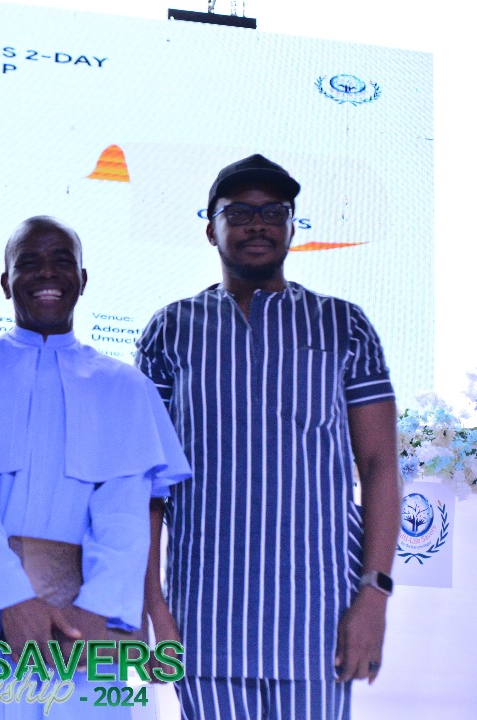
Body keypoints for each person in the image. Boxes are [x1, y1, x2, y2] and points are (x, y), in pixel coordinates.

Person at [136, 155, 402, 719]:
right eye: (240, 212)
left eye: (274, 212)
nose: (258, 224)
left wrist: (374, 596)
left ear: (291, 227)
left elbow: (379, 464)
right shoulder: (170, 330)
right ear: (211, 228)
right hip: (204, 617)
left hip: (320, 620)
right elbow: (146, 479)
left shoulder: (342, 324)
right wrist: (151, 601)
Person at [0, 216, 191, 719]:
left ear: (82, 277)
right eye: (28, 262)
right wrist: (10, 602)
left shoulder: (125, 388)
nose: (46, 273)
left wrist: (96, 611)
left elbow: (124, 517)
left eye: (61, 261)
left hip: (83, 631)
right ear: (6, 280)